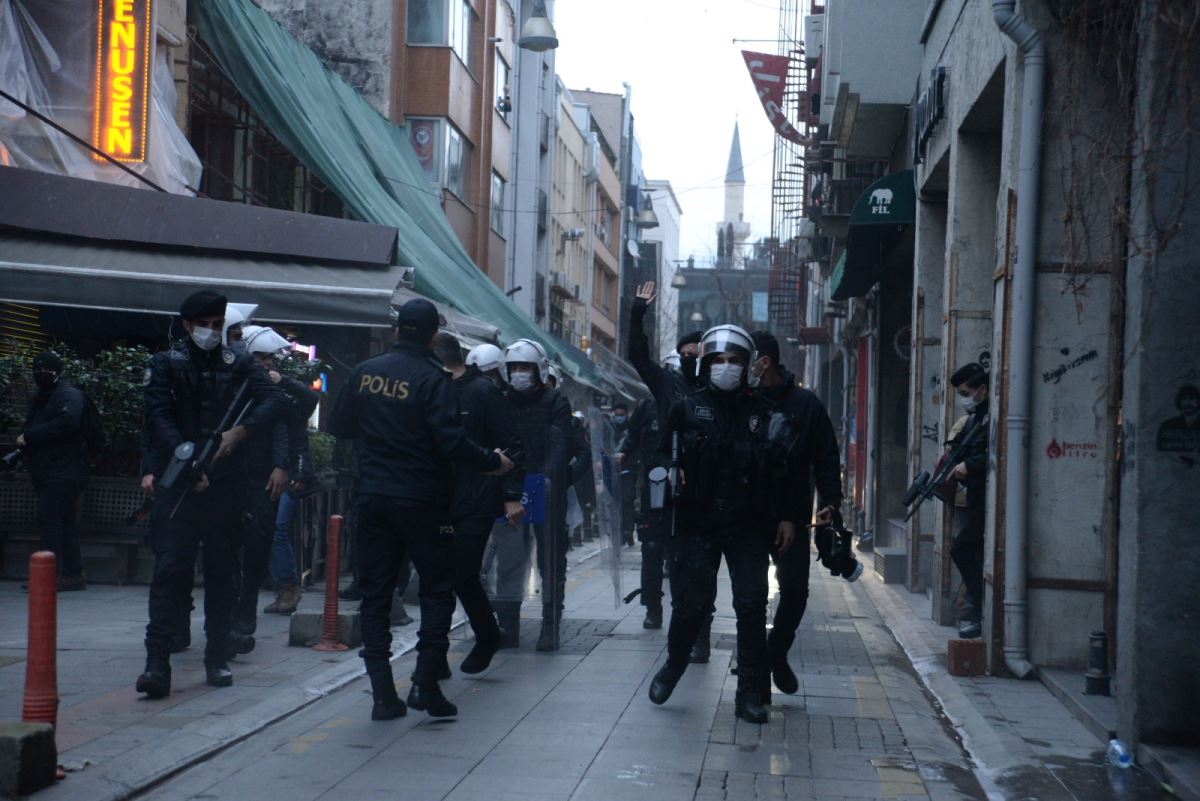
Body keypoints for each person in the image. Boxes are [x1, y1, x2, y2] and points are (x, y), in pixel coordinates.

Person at [329, 299, 512, 721]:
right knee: (437, 588)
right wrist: (493, 462)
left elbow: (339, 426)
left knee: (375, 594)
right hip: (423, 501)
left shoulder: (365, 372)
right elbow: (451, 442)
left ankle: (382, 696)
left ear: (397, 330)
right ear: (432, 335)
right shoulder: (434, 380)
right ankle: (425, 685)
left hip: (373, 495)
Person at [647, 324, 801, 725]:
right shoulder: (686, 408)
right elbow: (660, 453)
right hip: (698, 523)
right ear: (706, 364)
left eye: (735, 361)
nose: (726, 367)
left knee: (751, 607)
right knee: (690, 606)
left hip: (749, 524)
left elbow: (784, 472)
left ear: (748, 365)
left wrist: (786, 517)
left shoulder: (766, 414)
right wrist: (669, 468)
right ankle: (673, 666)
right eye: (718, 360)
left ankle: (749, 692)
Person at [137, 290, 286, 699]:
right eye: (205, 325)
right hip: (180, 481)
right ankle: (156, 663)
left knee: (223, 574)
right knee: (170, 572)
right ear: (187, 325)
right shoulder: (166, 364)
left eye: (219, 325)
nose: (212, 332)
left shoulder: (238, 363)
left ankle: (216, 656)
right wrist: (188, 464)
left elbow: (274, 399)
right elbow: (158, 417)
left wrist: (240, 432)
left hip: (227, 484)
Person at [749, 331, 842, 696]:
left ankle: (777, 652)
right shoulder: (743, 403)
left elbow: (826, 459)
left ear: (764, 361)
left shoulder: (805, 404)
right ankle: (755, 671)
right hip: (751, 519)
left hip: (794, 519)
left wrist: (829, 506)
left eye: (746, 359)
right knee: (751, 597)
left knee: (796, 592)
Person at [627, 280, 712, 662]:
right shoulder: (667, 386)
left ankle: (702, 634)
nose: (691, 357)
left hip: (707, 490)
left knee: (702, 566)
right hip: (665, 485)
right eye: (686, 353)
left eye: (697, 353)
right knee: (659, 552)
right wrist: (638, 312)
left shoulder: (716, 389)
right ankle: (656, 609)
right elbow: (638, 355)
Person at [433, 335, 526, 674]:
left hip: (478, 497)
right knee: (440, 575)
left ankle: (487, 635)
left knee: (462, 573)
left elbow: (512, 444)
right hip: (438, 498)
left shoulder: (482, 392)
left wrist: (511, 495)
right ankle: (435, 656)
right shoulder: (433, 388)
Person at [499, 338, 573, 651]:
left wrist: (545, 478)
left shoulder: (555, 401)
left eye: (525, 368)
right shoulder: (500, 399)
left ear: (538, 370)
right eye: (514, 367)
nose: (519, 374)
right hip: (508, 486)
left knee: (550, 560)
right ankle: (508, 626)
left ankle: (550, 625)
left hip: (541, 485)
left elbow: (561, 444)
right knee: (510, 559)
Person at [17, 351, 91, 591]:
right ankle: (72, 573)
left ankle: (50, 576)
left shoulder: (68, 395)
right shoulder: (44, 397)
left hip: (64, 470)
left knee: (49, 519)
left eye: (46, 369)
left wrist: (29, 436)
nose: (40, 373)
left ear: (57, 371)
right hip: (53, 469)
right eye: (37, 369)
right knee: (64, 521)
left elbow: (67, 423)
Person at [948, 362, 990, 639]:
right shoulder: (975, 418)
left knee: (962, 550)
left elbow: (996, 453)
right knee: (968, 551)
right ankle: (976, 608)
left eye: (966, 391)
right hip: (975, 498)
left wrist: (970, 466)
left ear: (982, 390)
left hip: (987, 501)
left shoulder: (990, 417)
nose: (963, 397)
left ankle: (981, 609)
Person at [622, 397, 668, 628]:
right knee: (651, 548)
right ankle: (652, 607)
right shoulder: (648, 405)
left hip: (689, 486)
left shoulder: (696, 398)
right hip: (654, 484)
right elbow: (632, 435)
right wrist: (622, 452)